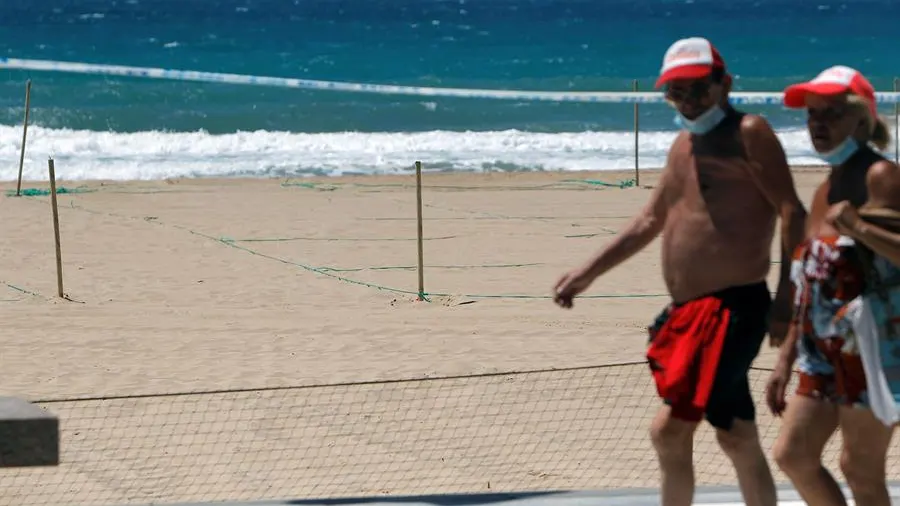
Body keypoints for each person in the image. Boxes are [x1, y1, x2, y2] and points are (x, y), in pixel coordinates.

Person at [552, 36, 807, 506]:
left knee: (669, 430)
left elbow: (793, 212)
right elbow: (649, 220)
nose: (688, 102)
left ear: (724, 84)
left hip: (734, 307)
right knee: (736, 434)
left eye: (697, 89)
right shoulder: (683, 145)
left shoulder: (749, 132)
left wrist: (786, 301)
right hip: (687, 311)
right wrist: (588, 272)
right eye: (675, 92)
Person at [765, 65, 900, 506]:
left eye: (832, 113)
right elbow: (808, 286)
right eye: (811, 114)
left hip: (873, 351)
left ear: (862, 120)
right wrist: (786, 359)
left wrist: (859, 227)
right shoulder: (825, 187)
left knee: (859, 468)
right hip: (820, 354)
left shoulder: (882, 177)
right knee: (792, 453)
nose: (817, 123)